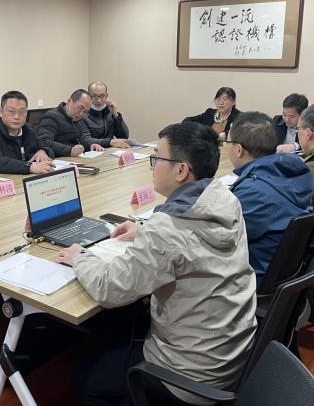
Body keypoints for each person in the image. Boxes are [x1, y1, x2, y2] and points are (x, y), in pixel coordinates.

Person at [57, 122, 257, 405]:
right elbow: (187, 244)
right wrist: (144, 229)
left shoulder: (166, 230)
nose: (151, 166)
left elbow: (109, 289)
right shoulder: (225, 199)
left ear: (181, 170)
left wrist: (80, 257)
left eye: (156, 158)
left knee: (82, 376)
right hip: (230, 355)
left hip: (186, 376)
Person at [226, 112, 314, 283]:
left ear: (238, 149)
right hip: (282, 267)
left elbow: (222, 240)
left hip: (255, 274)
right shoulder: (292, 171)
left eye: (228, 143)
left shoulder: (254, 192)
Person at [0, 90, 55, 174]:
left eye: (21, 112)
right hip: (3, 178)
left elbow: (46, 145)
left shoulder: (29, 129)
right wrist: (29, 167)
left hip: (26, 177)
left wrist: (43, 151)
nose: (16, 117)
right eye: (11, 111)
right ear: (0, 112)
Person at [37, 89, 103, 157]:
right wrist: (69, 150)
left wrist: (90, 146)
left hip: (75, 159)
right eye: (80, 108)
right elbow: (44, 141)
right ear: (69, 101)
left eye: (85, 112)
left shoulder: (78, 120)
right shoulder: (52, 117)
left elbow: (81, 141)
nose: (81, 114)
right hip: (58, 160)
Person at [84, 81, 131, 149]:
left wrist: (115, 115)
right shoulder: (82, 114)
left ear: (106, 96)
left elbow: (124, 136)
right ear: (88, 96)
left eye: (102, 96)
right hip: (92, 152)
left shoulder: (110, 112)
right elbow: (86, 140)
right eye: (94, 96)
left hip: (110, 151)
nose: (99, 100)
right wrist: (109, 142)